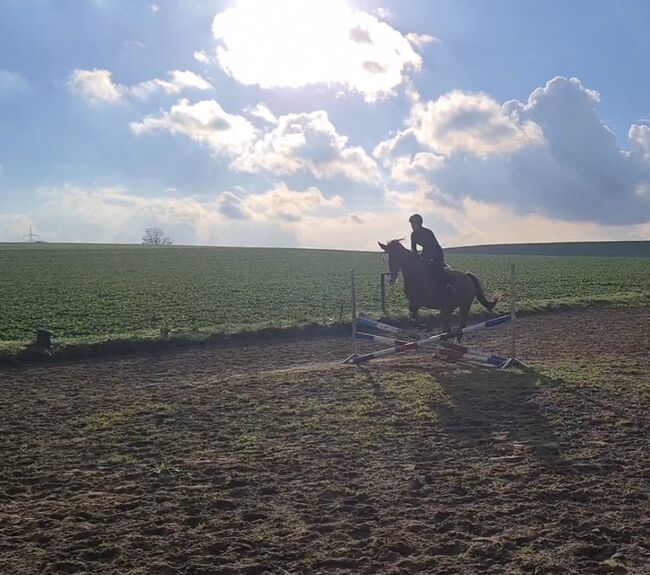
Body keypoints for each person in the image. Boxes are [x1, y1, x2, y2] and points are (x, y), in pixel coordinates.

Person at [409, 213, 453, 293]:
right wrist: (415, 258)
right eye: (411, 224)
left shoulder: (427, 232)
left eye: (413, 223)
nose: (412, 226)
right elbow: (414, 249)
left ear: (419, 223)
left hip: (436, 252)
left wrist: (426, 258)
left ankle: (446, 285)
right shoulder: (413, 235)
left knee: (436, 268)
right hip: (425, 252)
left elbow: (431, 246)